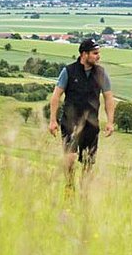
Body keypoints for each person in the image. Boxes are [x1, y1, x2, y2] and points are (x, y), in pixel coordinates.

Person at [48, 38, 115, 193]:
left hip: (91, 125)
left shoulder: (101, 73)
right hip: (70, 122)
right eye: (95, 53)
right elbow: (56, 96)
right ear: (84, 54)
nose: (98, 57)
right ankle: (70, 187)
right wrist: (53, 120)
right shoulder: (68, 71)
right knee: (70, 159)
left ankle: (85, 191)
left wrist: (110, 121)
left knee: (88, 162)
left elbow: (108, 98)